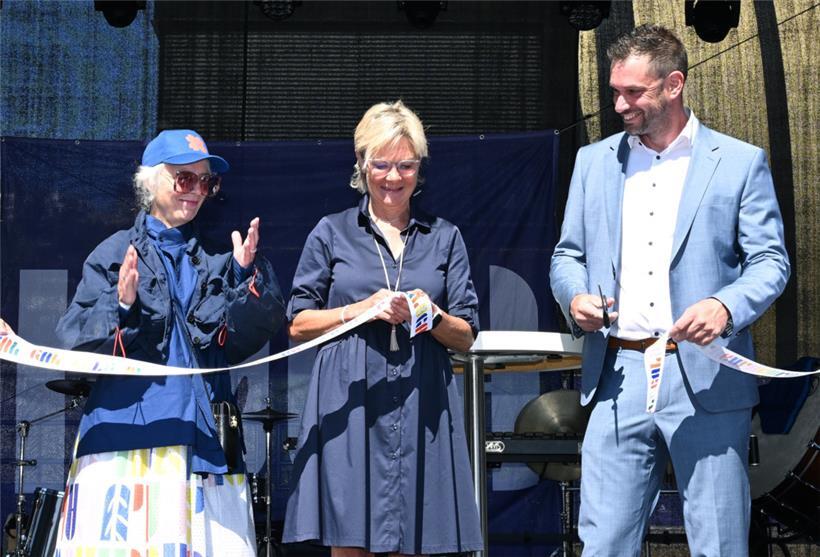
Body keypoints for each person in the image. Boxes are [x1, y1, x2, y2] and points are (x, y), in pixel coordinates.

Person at [550, 25, 790, 556]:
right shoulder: (594, 161)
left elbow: (772, 262)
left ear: (675, 84)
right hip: (618, 374)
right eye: (615, 91)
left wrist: (725, 305)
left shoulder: (738, 161)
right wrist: (574, 298)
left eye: (633, 92)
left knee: (719, 543)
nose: (619, 104)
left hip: (705, 373)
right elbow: (567, 255)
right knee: (604, 544)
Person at [52, 129, 285, 556]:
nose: (197, 191)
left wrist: (246, 279)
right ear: (150, 181)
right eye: (185, 179)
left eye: (206, 182)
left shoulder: (218, 259)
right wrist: (120, 307)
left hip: (205, 445)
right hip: (127, 445)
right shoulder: (114, 252)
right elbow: (71, 345)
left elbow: (238, 343)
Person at [282, 100, 483, 557]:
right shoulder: (331, 233)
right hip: (350, 399)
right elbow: (298, 323)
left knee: (413, 538)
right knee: (350, 540)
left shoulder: (444, 236)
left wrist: (428, 315)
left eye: (406, 166)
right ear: (362, 164)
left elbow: (467, 335)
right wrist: (359, 310)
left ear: (419, 168)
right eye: (383, 165)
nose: (394, 178)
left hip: (421, 397)